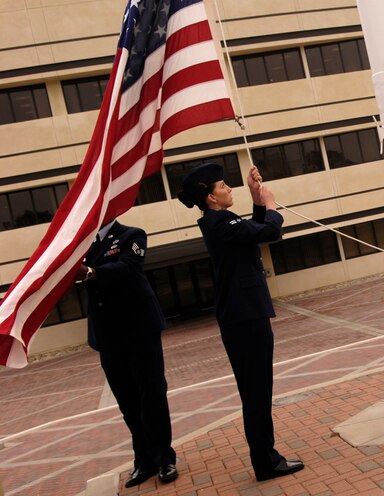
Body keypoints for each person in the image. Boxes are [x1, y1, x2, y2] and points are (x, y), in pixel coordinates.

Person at [177, 162, 304, 481]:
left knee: (256, 389)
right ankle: (266, 461)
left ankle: (267, 457)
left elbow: (251, 234)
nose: (228, 188)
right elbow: (269, 231)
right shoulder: (221, 222)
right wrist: (272, 206)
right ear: (210, 198)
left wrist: (255, 196)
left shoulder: (220, 220)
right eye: (222, 186)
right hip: (245, 315)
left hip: (243, 314)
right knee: (256, 391)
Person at [76, 221, 178, 488]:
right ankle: (144, 461)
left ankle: (164, 458)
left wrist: (91, 273)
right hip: (108, 335)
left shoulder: (131, 235)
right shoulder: (82, 245)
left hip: (139, 328)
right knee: (127, 402)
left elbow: (128, 268)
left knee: (151, 395)